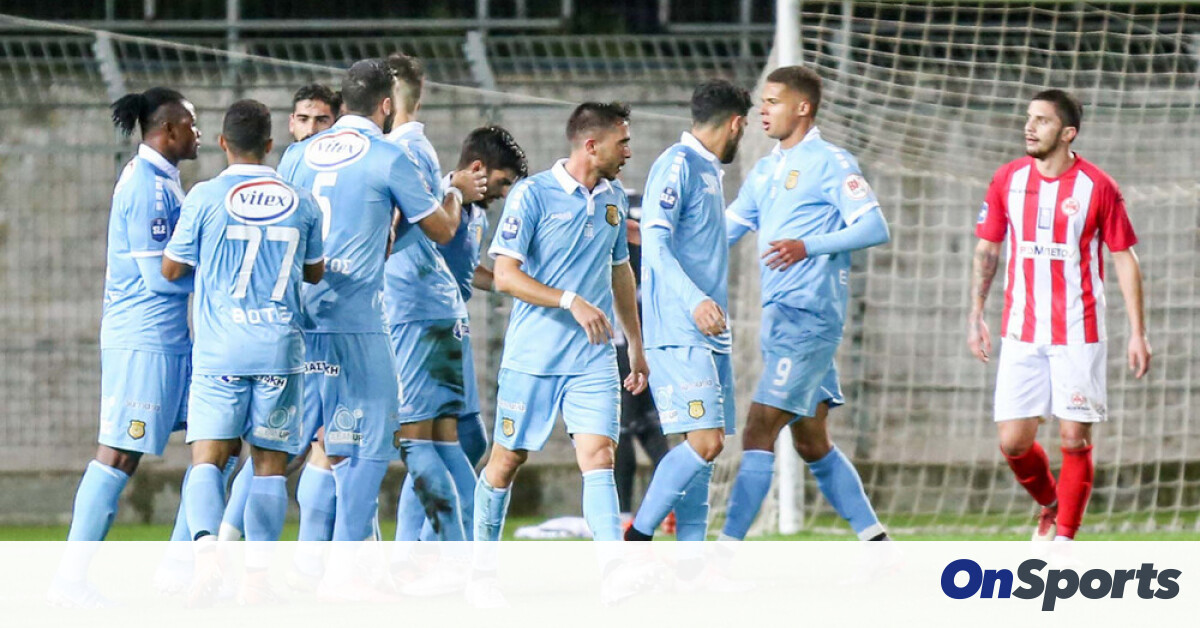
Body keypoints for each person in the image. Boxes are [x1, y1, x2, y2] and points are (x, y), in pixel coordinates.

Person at [276, 58, 468, 547]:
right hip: (356, 320)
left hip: (301, 317)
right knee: (370, 447)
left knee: (307, 447)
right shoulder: (388, 155)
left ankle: (286, 557)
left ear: (343, 103)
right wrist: (454, 193)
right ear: (386, 105)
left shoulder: (298, 154)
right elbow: (442, 230)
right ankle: (347, 568)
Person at [968, 89, 1151, 541]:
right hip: (1021, 329)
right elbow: (988, 248)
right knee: (1013, 442)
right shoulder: (1007, 179)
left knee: (1074, 439)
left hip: (1078, 329)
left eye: (1042, 120)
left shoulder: (1098, 186)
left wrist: (1138, 332)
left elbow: (1124, 257)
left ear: (1068, 133)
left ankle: (1065, 541)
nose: (1029, 127)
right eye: (1029, 118)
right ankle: (1052, 504)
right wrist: (976, 314)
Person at [161, 99, 324, 601]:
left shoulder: (205, 196)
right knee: (269, 466)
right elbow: (314, 271)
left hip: (221, 351)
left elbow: (172, 268)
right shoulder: (302, 201)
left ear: (223, 143)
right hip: (279, 349)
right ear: (271, 145)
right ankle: (256, 579)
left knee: (207, 460)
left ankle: (207, 557)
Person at [721, 66, 891, 542]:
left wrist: (808, 246)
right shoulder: (765, 169)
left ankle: (723, 554)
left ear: (802, 107)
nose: (763, 110)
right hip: (781, 319)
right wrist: (654, 239)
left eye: (773, 101)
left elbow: (874, 227)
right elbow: (724, 230)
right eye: (762, 101)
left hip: (809, 318)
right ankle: (879, 546)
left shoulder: (831, 162)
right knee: (812, 442)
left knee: (758, 430)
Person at [474, 102, 647, 544]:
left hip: (592, 356)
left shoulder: (613, 198)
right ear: (591, 145)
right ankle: (480, 565)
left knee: (599, 456)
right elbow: (505, 276)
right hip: (534, 355)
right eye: (622, 143)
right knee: (506, 462)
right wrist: (570, 301)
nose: (628, 152)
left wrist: (635, 343)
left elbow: (620, 270)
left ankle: (614, 568)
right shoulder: (532, 194)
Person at [67, 87, 201, 542]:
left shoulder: (161, 179)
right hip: (144, 341)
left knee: (218, 441)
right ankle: (71, 573)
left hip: (170, 339)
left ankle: (183, 564)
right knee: (119, 455)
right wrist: (218, 282)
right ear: (168, 130)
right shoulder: (147, 187)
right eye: (192, 125)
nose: (198, 133)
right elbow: (158, 278)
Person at [214, 81, 342, 543]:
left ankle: (224, 545)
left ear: (337, 124)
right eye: (303, 119)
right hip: (298, 327)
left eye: (321, 119)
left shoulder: (325, 170)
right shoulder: (285, 177)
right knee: (287, 447)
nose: (311, 128)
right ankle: (227, 543)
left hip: (334, 324)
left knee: (325, 444)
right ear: (289, 124)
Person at [624, 79, 751, 542]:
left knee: (704, 452)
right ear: (736, 124)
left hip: (709, 331)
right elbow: (655, 240)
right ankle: (637, 536)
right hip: (680, 329)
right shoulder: (677, 164)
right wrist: (695, 300)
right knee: (705, 442)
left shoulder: (706, 170)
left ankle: (691, 562)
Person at [393, 124, 528, 543]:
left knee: (470, 438)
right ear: (478, 169)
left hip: (452, 327)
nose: (504, 193)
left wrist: (516, 282)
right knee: (428, 442)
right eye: (502, 182)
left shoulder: (476, 214)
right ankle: (416, 546)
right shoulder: (433, 201)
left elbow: (470, 272)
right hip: (421, 327)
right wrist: (450, 187)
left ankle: (425, 541)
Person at [381, 53, 488, 546]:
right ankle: (457, 555)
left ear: (385, 103)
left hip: (412, 309)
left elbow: (407, 230)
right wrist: (451, 189)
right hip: (438, 307)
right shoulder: (419, 150)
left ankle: (444, 555)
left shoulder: (397, 153)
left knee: (415, 441)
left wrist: (455, 193)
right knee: (446, 442)